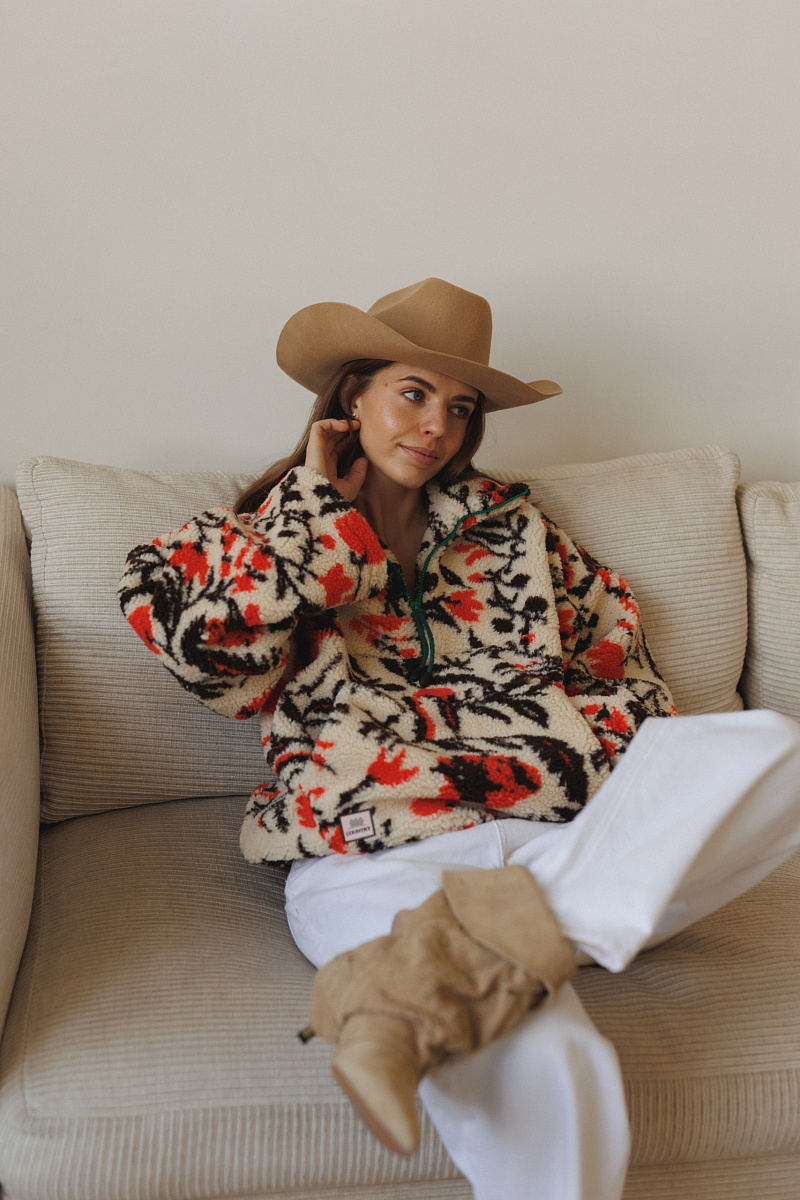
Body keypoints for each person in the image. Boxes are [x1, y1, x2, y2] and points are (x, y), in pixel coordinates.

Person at [119, 278, 800, 1200]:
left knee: (771, 747)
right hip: (372, 852)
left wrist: (574, 760)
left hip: (549, 836)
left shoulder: (518, 532)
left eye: (461, 406)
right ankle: (467, 967)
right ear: (351, 397)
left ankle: (411, 991)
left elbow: (619, 655)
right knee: (554, 1058)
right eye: (413, 393)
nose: (437, 425)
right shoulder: (237, 542)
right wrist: (315, 515)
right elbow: (212, 664)